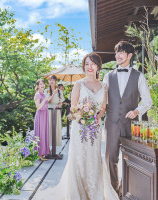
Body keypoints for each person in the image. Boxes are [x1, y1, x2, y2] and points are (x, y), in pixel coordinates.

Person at [35, 53, 119, 200]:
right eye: (86, 64)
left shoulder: (104, 86)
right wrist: (84, 115)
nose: (89, 67)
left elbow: (103, 107)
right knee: (80, 158)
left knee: (93, 158)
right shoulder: (78, 84)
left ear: (98, 66)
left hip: (95, 127)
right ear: (83, 66)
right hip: (80, 127)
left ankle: (95, 192)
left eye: (92, 63)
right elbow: (73, 107)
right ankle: (78, 193)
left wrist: (96, 116)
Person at [103, 41, 152, 197]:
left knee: (130, 159)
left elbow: (147, 101)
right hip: (111, 123)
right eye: (116, 52)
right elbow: (102, 101)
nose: (117, 55)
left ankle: (126, 190)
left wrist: (137, 110)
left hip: (131, 125)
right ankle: (114, 191)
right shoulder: (107, 76)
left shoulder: (139, 76)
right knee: (111, 158)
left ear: (130, 55)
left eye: (121, 52)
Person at [44, 75, 64, 146]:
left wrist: (59, 105)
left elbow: (61, 101)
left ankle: (56, 144)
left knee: (56, 126)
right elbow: (48, 101)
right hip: (49, 110)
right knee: (49, 126)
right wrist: (53, 94)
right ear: (48, 81)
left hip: (56, 110)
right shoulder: (46, 90)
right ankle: (48, 145)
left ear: (55, 81)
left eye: (53, 80)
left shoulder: (59, 91)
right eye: (50, 80)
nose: (51, 81)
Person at [34, 79, 50, 161]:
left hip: (45, 115)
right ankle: (40, 154)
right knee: (40, 133)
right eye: (40, 84)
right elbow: (38, 107)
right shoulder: (37, 94)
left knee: (44, 133)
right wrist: (44, 100)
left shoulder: (43, 93)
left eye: (43, 83)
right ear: (37, 86)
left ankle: (44, 152)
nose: (42, 85)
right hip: (40, 115)